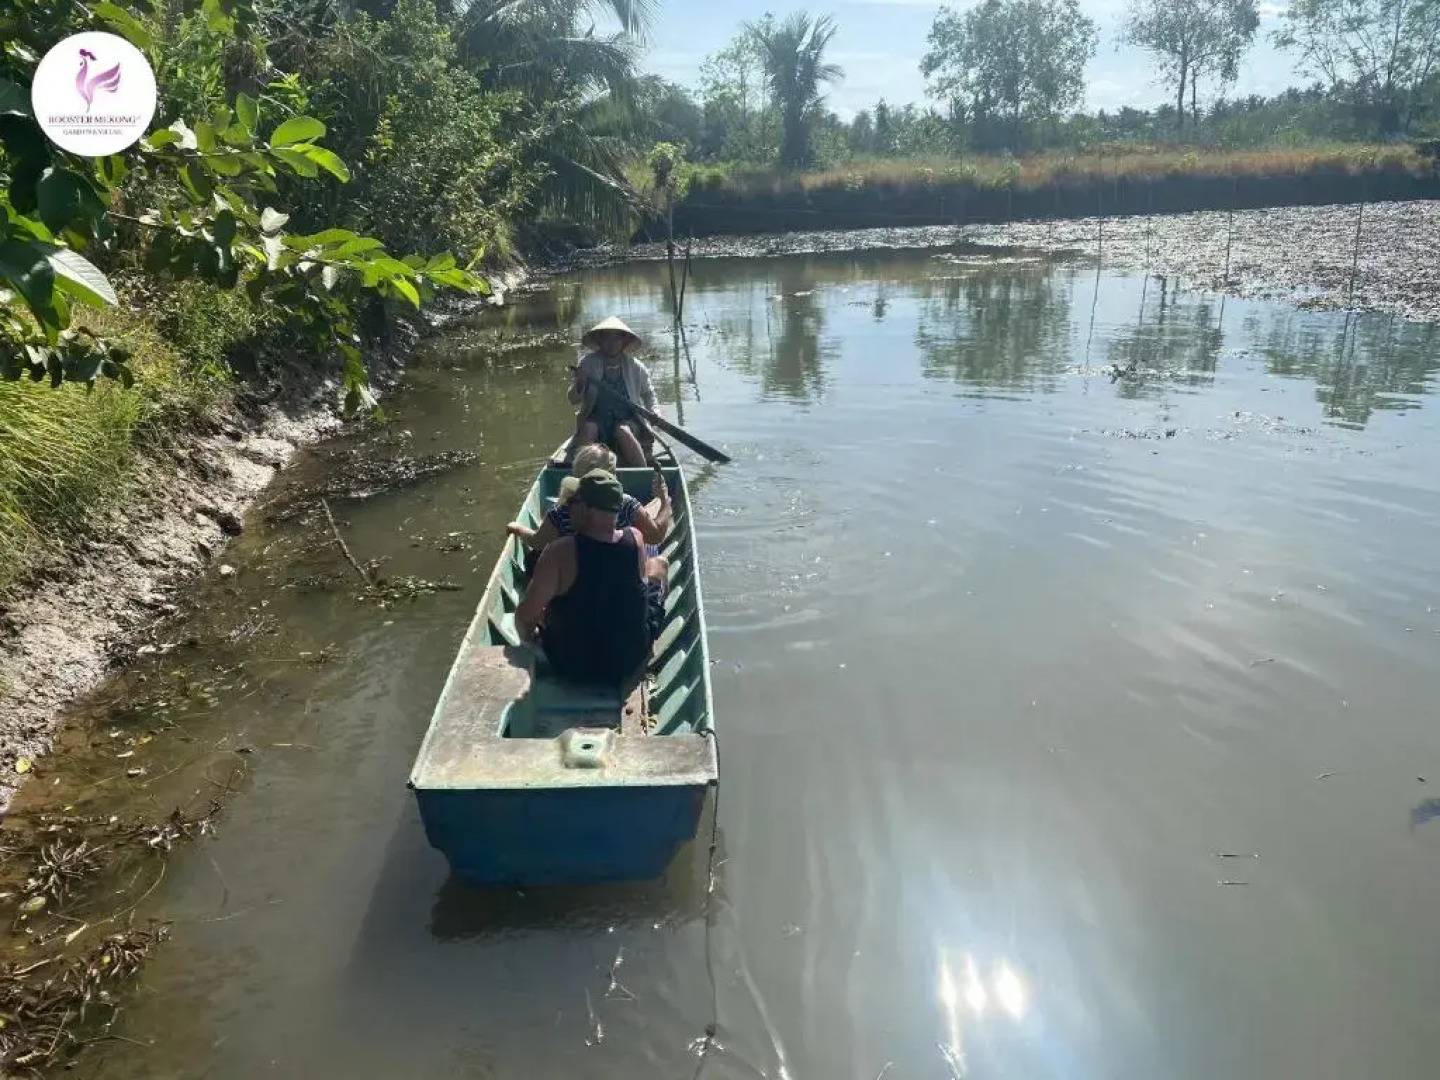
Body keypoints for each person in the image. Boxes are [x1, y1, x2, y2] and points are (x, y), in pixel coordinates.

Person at [515, 470, 668, 689]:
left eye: (572, 502)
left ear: (585, 507)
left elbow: (525, 617)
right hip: (628, 662)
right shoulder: (636, 538)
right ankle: (651, 648)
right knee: (659, 567)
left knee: (528, 615)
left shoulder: (559, 551)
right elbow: (637, 594)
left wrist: (532, 636)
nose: (567, 508)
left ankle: (539, 664)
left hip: (570, 666)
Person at [506, 443, 671, 552]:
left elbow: (537, 542)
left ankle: (653, 505)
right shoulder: (626, 503)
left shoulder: (561, 511)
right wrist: (665, 501)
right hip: (618, 572)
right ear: (611, 475)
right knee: (653, 548)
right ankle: (657, 503)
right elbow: (655, 537)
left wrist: (518, 529)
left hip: (578, 581)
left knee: (647, 512)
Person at [569, 317, 659, 467]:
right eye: (607, 338)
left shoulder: (636, 367)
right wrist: (581, 382)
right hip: (596, 417)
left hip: (628, 419)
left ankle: (644, 475)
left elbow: (649, 394)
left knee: (622, 431)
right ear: (600, 341)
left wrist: (655, 411)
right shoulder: (587, 363)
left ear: (624, 342)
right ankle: (580, 475)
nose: (612, 343)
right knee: (588, 429)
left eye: (616, 338)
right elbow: (573, 399)